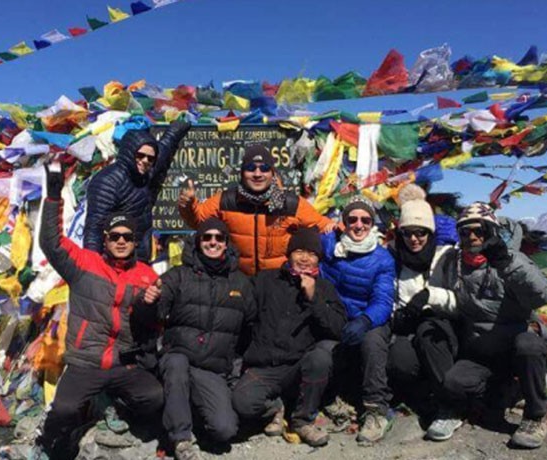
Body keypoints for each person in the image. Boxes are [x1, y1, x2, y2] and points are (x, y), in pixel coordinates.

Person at [34, 162, 164, 460]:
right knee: (63, 411)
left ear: (134, 241)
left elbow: (156, 323)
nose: (121, 241)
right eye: (115, 236)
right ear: (105, 239)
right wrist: (54, 195)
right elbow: (51, 243)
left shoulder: (147, 275)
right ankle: (47, 447)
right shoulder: (85, 264)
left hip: (124, 364)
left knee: (154, 398)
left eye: (127, 237)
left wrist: (153, 304)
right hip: (85, 363)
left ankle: (113, 405)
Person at [420, 202, 547, 449]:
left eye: (480, 230)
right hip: (480, 351)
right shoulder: (453, 263)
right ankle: (504, 391)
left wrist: (505, 263)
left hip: (517, 346)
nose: (472, 237)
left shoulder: (512, 259)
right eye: (465, 232)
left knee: (529, 344)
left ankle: (535, 416)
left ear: (492, 231)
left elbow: (543, 295)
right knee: (454, 383)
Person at [146, 218, 256, 460]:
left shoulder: (241, 283)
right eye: (207, 237)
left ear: (227, 243)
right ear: (198, 242)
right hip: (179, 356)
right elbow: (154, 314)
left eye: (219, 238)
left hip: (212, 368)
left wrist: (238, 368)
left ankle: (193, 411)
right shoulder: (178, 276)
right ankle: (181, 438)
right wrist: (149, 301)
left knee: (225, 429)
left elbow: (251, 327)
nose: (213, 242)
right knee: (176, 365)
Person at [232, 228, 346, 447]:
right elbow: (242, 308)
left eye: (312, 254)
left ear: (318, 260)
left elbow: (338, 329)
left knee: (321, 358)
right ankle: (276, 409)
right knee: (242, 403)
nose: (305, 258)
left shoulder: (324, 288)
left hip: (298, 368)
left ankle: (303, 420)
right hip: (264, 367)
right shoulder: (265, 280)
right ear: (289, 254)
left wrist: (313, 299)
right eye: (299, 251)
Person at [179, 144, 334, 275]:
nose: (257, 174)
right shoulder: (227, 200)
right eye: (251, 168)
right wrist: (188, 205)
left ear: (272, 173)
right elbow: (199, 220)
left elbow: (323, 226)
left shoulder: (291, 203)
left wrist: (344, 227)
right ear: (242, 173)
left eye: (264, 168)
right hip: (238, 279)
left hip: (277, 281)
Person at [319, 197, 396, 445]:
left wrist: (365, 320)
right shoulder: (330, 245)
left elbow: (383, 300)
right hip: (336, 316)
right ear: (344, 222)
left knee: (373, 342)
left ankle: (377, 410)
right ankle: (327, 398)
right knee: (321, 351)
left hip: (368, 317)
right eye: (352, 219)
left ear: (372, 223)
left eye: (365, 219)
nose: (358, 225)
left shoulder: (382, 258)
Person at [384, 185, 459, 412]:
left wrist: (430, 296)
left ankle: (450, 404)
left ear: (430, 232)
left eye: (421, 232)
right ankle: (420, 396)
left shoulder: (446, 257)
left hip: (441, 326)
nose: (414, 239)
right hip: (406, 326)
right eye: (407, 233)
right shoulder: (393, 257)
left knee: (429, 333)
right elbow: (387, 293)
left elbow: (461, 302)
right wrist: (396, 315)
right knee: (399, 362)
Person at [84, 120, 191, 260]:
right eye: (140, 155)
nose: (145, 160)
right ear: (129, 152)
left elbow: (165, 147)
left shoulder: (145, 173)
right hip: (114, 260)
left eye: (150, 158)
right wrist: (93, 266)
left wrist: (178, 128)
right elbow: (94, 228)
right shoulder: (107, 182)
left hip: (139, 256)